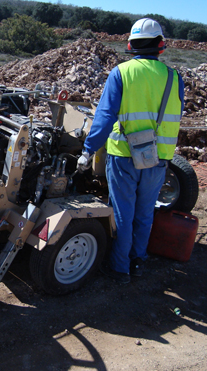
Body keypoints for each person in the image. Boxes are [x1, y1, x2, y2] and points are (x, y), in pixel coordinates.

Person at [77, 18, 185, 284]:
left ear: (131, 45)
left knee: (123, 212)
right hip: (158, 158)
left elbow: (104, 117)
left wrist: (88, 150)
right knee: (145, 212)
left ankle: (119, 267)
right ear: (160, 45)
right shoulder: (174, 78)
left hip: (124, 155)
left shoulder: (122, 73)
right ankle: (138, 261)